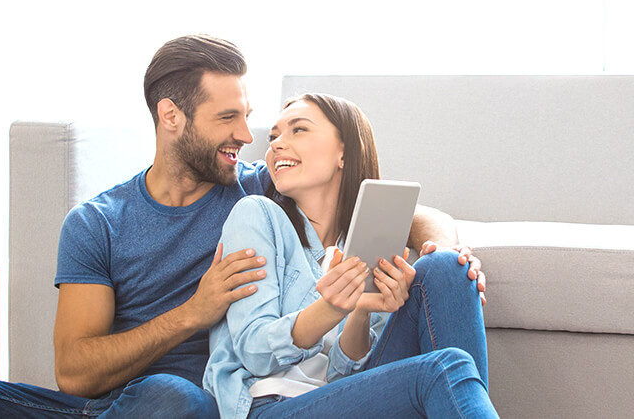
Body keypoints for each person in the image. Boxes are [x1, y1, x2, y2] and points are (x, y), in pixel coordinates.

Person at [0, 35, 485, 418]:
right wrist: (193, 314)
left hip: (212, 402)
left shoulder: (258, 187)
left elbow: (395, 208)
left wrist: (444, 249)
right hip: (142, 402)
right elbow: (74, 371)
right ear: (171, 117)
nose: (250, 136)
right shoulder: (99, 223)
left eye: (253, 119)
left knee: (187, 402)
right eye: (229, 118)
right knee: (172, 399)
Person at [204, 93, 498, 418]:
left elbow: (347, 378)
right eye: (274, 136)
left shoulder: (368, 242)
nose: (276, 145)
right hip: (270, 406)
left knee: (447, 266)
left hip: (342, 400)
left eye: (298, 130)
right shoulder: (256, 215)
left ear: (343, 151)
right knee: (446, 367)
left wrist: (358, 313)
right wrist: (329, 309)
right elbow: (254, 351)